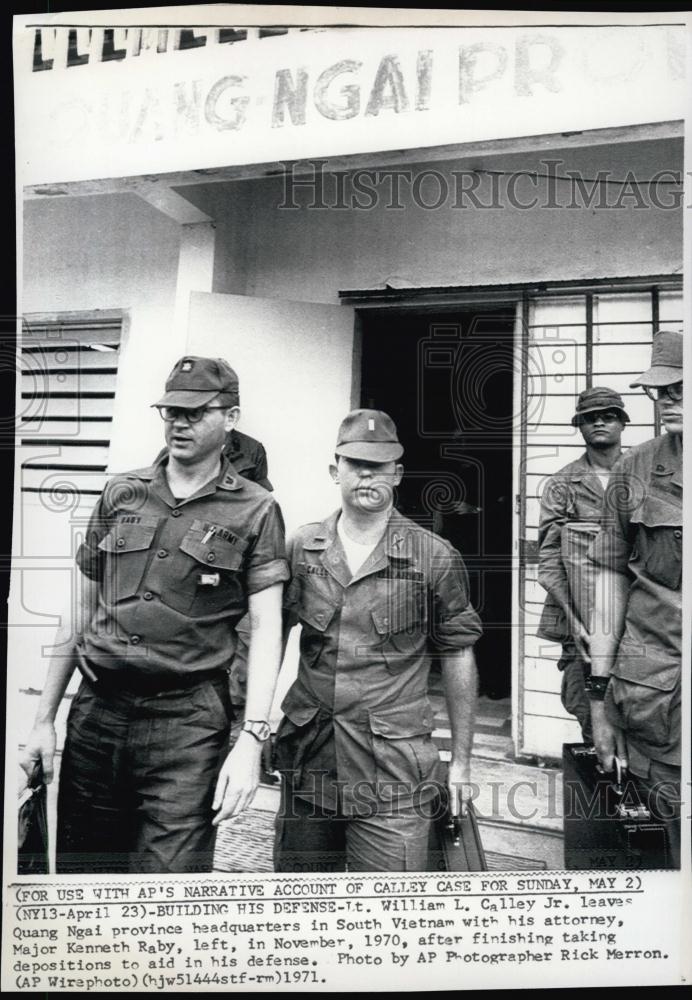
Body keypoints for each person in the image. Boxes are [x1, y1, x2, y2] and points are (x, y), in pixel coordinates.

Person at [21, 356, 288, 874]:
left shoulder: (256, 509)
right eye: (170, 411)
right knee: (83, 878)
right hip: (98, 715)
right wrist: (42, 721)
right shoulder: (123, 491)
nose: (179, 423)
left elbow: (268, 627)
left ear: (231, 418)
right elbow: (78, 606)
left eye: (194, 412)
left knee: (169, 884)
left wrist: (251, 740)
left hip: (185, 725)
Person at [272, 409, 482, 872]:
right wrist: (248, 731)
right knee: (300, 910)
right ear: (335, 471)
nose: (367, 474)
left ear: (398, 474)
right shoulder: (301, 547)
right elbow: (266, 636)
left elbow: (458, 653)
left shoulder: (434, 556)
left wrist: (462, 763)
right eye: (354, 463)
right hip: (311, 764)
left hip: (394, 777)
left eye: (380, 465)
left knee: (389, 914)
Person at [588, 330, 683, 866]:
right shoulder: (636, 468)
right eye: (661, 391)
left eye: (680, 387)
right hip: (659, 701)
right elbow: (609, 581)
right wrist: (600, 697)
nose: (668, 400)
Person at [537, 387, 629, 743]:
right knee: (589, 706)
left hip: (641, 616)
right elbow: (549, 559)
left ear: (622, 422)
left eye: (608, 414)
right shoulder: (562, 484)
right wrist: (574, 622)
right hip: (582, 617)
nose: (600, 422)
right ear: (580, 426)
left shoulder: (646, 472)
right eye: (590, 417)